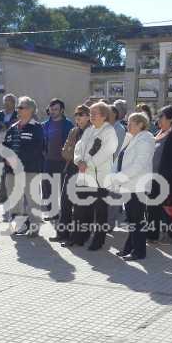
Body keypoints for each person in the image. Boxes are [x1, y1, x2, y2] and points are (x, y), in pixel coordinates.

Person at [70, 101, 118, 251]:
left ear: (104, 116)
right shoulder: (89, 130)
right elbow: (78, 148)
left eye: (94, 113)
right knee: (80, 209)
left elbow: (107, 151)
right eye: (90, 113)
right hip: (84, 176)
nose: (91, 116)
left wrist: (88, 164)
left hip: (99, 179)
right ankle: (78, 238)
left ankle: (98, 241)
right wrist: (78, 161)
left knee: (100, 212)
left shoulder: (109, 131)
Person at [111, 112, 154, 260]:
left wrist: (120, 177)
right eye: (127, 123)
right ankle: (129, 248)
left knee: (137, 219)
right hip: (129, 185)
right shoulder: (131, 137)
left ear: (141, 124)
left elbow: (139, 165)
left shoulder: (146, 139)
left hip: (138, 185)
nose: (127, 125)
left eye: (130, 123)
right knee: (132, 218)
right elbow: (120, 160)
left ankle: (139, 252)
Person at [3, 96, 45, 237]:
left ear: (30, 110)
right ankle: (18, 226)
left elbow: (37, 149)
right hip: (11, 171)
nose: (17, 109)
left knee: (33, 200)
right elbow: (5, 147)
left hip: (30, 170)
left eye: (21, 107)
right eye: (18, 107)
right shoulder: (12, 128)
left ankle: (34, 227)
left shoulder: (37, 128)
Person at [146, 106, 172, 245]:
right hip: (155, 177)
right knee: (153, 207)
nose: (158, 120)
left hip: (171, 179)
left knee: (171, 208)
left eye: (161, 117)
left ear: (171, 118)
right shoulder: (159, 132)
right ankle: (152, 235)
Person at [51, 105, 90, 243]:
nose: (78, 117)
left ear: (88, 116)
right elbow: (65, 152)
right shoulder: (73, 131)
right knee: (65, 203)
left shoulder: (92, 132)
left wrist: (73, 153)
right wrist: (74, 154)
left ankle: (77, 237)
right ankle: (62, 234)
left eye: (81, 114)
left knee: (79, 207)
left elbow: (86, 155)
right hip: (70, 169)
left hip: (84, 173)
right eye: (76, 114)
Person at [41, 98, 74, 221]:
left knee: (63, 189)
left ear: (62, 110)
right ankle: (52, 212)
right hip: (48, 161)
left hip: (64, 161)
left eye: (55, 109)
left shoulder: (69, 125)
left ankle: (65, 215)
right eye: (51, 109)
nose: (53, 112)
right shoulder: (44, 125)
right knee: (47, 188)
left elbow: (73, 143)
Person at [0, 93, 18, 204]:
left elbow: (14, 127)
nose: (7, 103)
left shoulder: (17, 114)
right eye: (5, 101)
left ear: (14, 103)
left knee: (11, 172)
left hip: (12, 147)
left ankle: (10, 195)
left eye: (9, 101)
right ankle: (2, 196)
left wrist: (5, 125)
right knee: (1, 171)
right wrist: (6, 125)